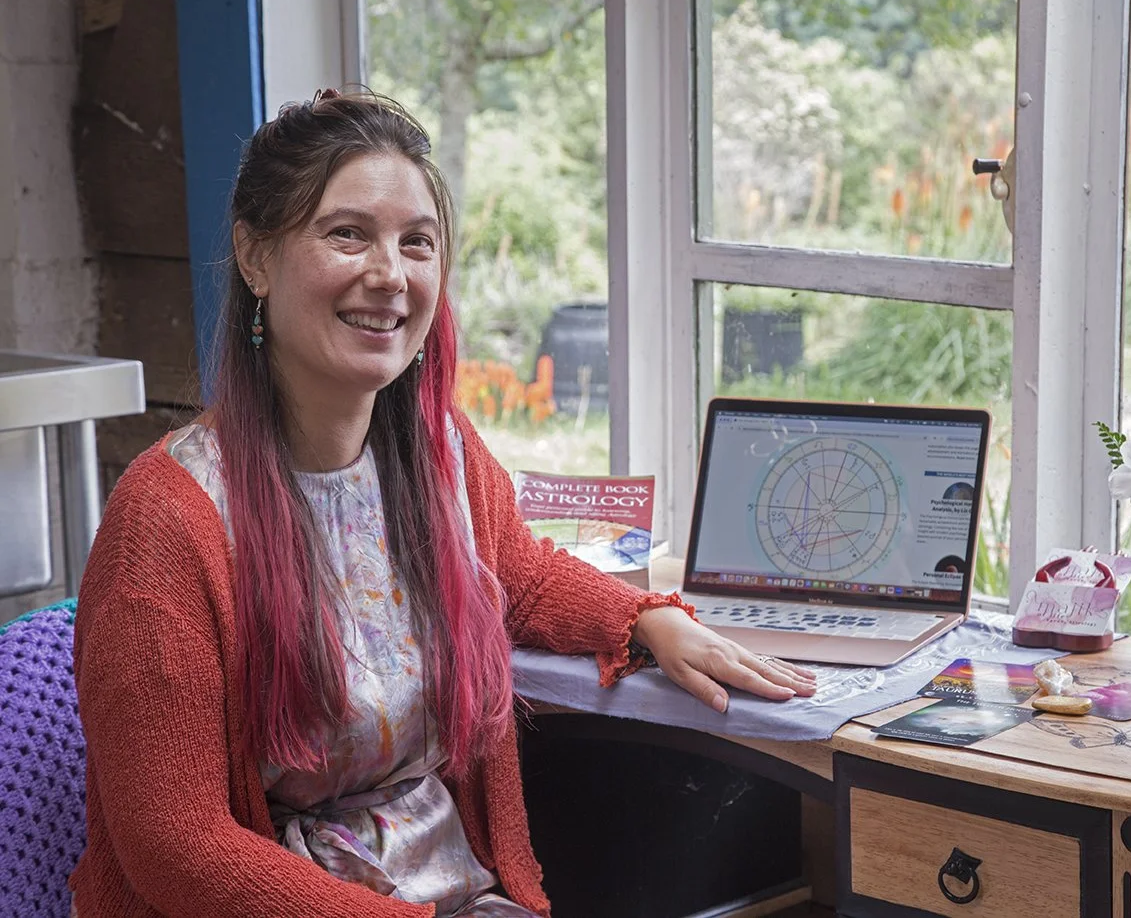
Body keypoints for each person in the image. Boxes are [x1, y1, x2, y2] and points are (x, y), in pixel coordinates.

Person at [68, 89, 815, 918]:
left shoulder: (439, 454)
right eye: (347, 233)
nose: (390, 275)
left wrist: (648, 620)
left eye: (417, 243)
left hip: (450, 893)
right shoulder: (166, 523)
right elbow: (176, 847)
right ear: (255, 257)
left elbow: (519, 576)